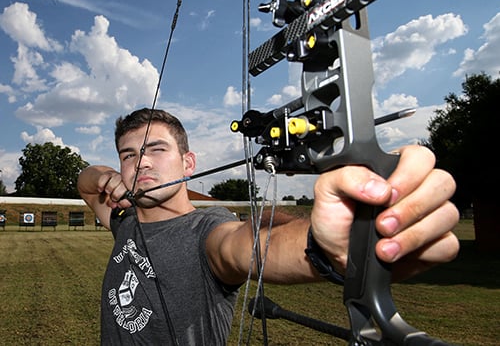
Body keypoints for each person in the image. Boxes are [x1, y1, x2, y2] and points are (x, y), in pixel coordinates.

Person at [77, 107, 459, 345]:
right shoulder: (123, 221)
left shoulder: (208, 231)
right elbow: (85, 182)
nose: (141, 163)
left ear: (188, 163)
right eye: (129, 155)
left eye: (156, 149)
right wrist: (106, 176)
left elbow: (246, 245)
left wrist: (330, 243)